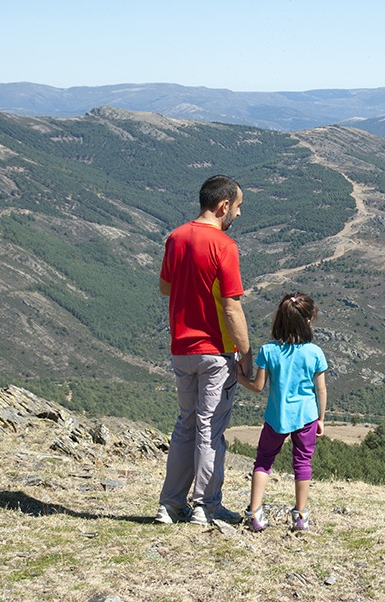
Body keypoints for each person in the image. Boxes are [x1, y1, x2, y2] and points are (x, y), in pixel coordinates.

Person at [154, 174, 253, 526]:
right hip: (215, 349)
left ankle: (170, 504)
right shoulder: (224, 246)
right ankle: (206, 506)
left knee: (186, 424)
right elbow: (232, 307)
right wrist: (247, 352)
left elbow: (165, 288)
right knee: (210, 428)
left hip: (181, 347)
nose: (238, 215)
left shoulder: (176, 237)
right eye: (237, 207)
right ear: (223, 205)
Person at [237, 292, 328, 532]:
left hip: (277, 417)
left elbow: (257, 387)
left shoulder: (268, 351)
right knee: (302, 463)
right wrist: (321, 418)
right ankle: (300, 516)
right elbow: (321, 389)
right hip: (306, 416)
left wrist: (237, 376)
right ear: (308, 320)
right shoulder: (315, 353)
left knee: (264, 461)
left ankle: (255, 513)